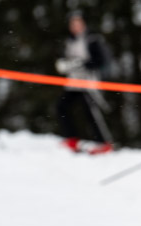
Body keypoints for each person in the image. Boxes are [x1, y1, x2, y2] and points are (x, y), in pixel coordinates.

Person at [55, 11, 113, 155]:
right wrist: (64, 65)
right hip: (73, 82)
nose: (76, 26)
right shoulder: (68, 41)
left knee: (91, 112)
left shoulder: (93, 39)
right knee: (62, 107)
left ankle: (104, 143)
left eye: (78, 22)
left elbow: (101, 61)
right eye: (73, 23)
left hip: (89, 83)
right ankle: (71, 138)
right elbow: (65, 60)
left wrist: (83, 64)